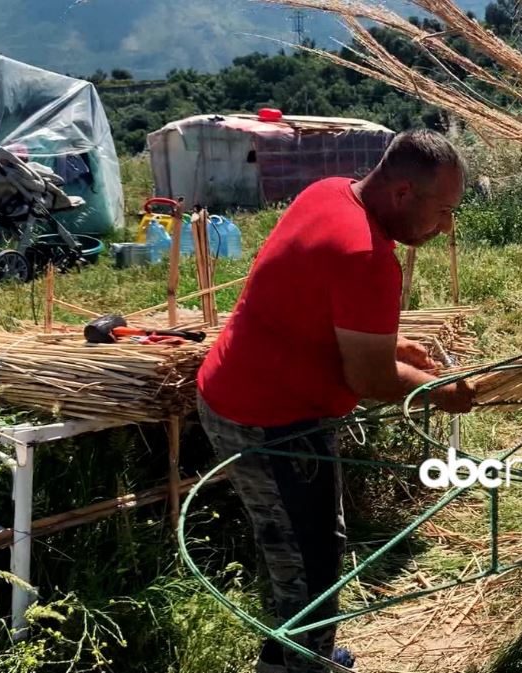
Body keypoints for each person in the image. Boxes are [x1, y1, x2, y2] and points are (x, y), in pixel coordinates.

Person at [196, 129, 476, 673]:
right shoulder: (366, 257)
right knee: (312, 568)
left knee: (295, 552)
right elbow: (369, 378)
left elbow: (308, 300)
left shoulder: (329, 192)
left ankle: (296, 658)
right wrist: (439, 390)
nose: (446, 227)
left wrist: (390, 342)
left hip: (240, 392)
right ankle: (304, 663)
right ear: (400, 194)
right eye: (442, 211)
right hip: (269, 420)